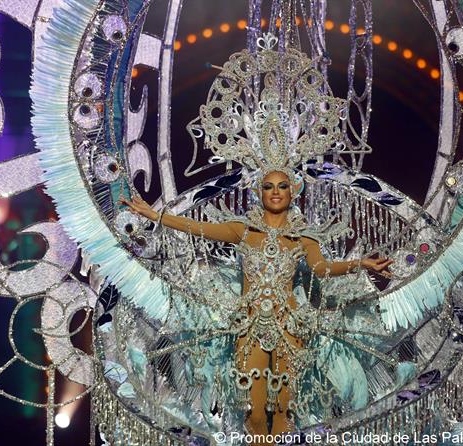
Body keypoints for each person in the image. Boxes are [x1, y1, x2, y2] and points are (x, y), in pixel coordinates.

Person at [120, 169, 393, 440]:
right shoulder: (243, 230)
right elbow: (198, 228)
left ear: (293, 192)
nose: (275, 192)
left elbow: (321, 269)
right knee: (256, 414)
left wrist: (361, 264)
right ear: (258, 193)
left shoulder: (303, 238)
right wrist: (154, 215)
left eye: (282, 186)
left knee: (285, 411)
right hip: (250, 329)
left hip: (289, 328)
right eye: (268, 186)